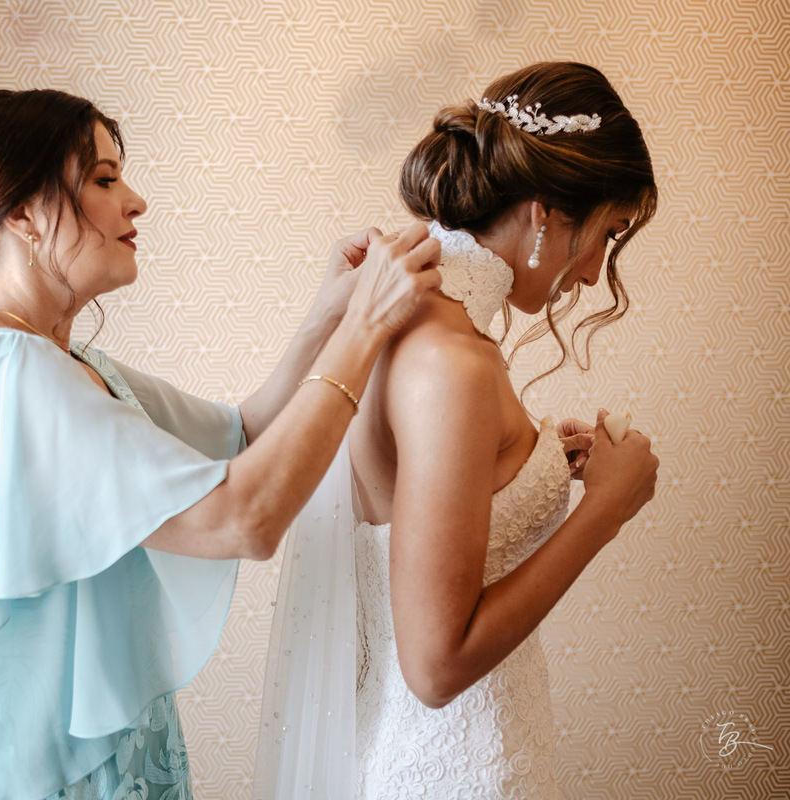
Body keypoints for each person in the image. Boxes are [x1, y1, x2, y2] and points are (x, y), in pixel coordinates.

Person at [0, 88, 441, 800]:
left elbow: (241, 435)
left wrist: (328, 316)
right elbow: (242, 516)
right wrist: (364, 331)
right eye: (104, 179)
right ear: (22, 211)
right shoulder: (12, 370)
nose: (137, 202)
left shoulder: (56, 360)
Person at [254, 62, 661, 798]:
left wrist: (537, 464)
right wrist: (606, 510)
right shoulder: (454, 361)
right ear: (545, 215)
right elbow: (437, 666)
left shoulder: (417, 318)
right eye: (605, 234)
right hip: (464, 765)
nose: (597, 274)